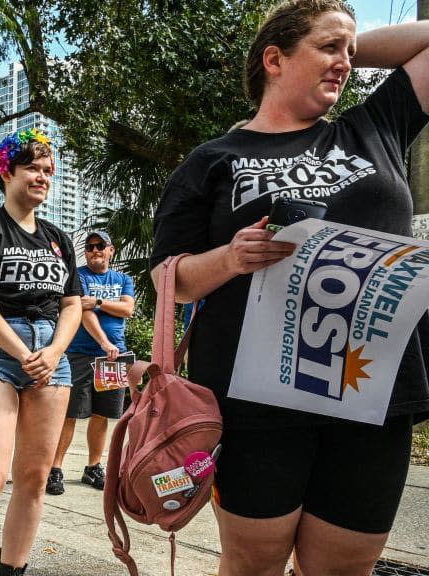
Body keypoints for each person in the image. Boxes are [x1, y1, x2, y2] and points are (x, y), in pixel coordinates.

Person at [150, 1, 429, 574]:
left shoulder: (374, 125)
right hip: (257, 398)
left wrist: (345, 41)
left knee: (345, 568)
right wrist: (229, 258)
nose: (344, 64)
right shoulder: (212, 159)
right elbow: (166, 278)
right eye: (328, 49)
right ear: (273, 59)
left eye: (349, 54)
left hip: (371, 393)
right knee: (254, 562)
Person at [0, 129, 81, 576]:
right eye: (33, 169)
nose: (43, 177)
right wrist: (25, 350)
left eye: (48, 171)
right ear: (6, 171)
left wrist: (55, 350)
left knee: (33, 479)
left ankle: (13, 570)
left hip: (51, 358)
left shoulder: (59, 238)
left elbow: (71, 304)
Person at [46, 229, 134, 495]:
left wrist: (96, 301)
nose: (94, 250)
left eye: (100, 246)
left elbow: (127, 309)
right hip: (81, 353)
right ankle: (55, 469)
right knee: (70, 413)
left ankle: (93, 468)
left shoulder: (122, 279)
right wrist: (104, 341)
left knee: (102, 414)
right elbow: (82, 311)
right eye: (90, 247)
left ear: (111, 250)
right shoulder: (79, 275)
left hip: (114, 357)